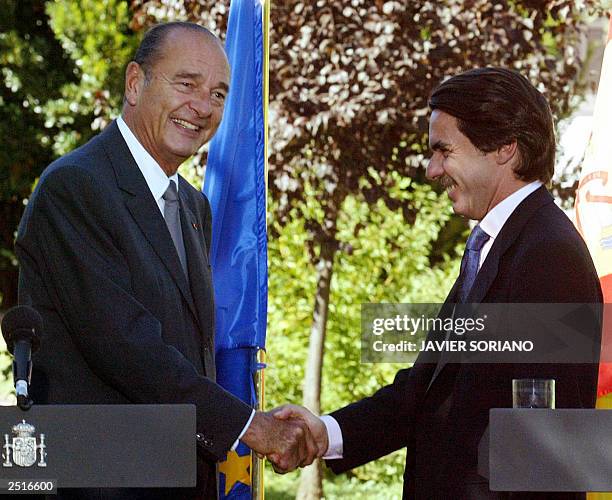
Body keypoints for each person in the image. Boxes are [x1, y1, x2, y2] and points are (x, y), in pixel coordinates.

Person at [16, 22, 319, 500]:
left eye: (218, 94)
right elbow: (125, 344)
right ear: (135, 84)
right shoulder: (75, 187)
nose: (203, 107)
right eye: (187, 84)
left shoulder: (193, 207)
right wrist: (248, 425)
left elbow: (191, 354)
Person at [273, 67, 603, 499]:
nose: (432, 170)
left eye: (444, 150)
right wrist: (326, 432)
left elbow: (549, 457)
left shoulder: (548, 255)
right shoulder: (497, 244)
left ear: (504, 147)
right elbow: (429, 390)